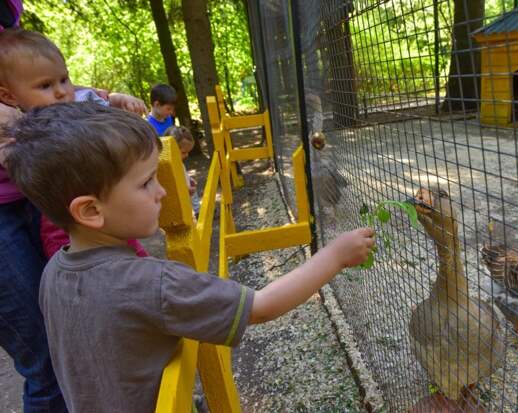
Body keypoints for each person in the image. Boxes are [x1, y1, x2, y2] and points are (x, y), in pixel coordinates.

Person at [4, 102, 375, 413]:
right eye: (147, 182)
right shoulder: (151, 282)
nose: (162, 192)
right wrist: (335, 256)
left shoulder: (53, 272)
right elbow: (260, 307)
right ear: (89, 211)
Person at [0, 28, 146, 412]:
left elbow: (86, 98)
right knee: (47, 356)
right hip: (28, 218)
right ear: (9, 96)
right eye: (49, 86)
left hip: (40, 207)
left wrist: (114, 97)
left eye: (63, 79)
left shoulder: (59, 101)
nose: (62, 91)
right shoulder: (23, 130)